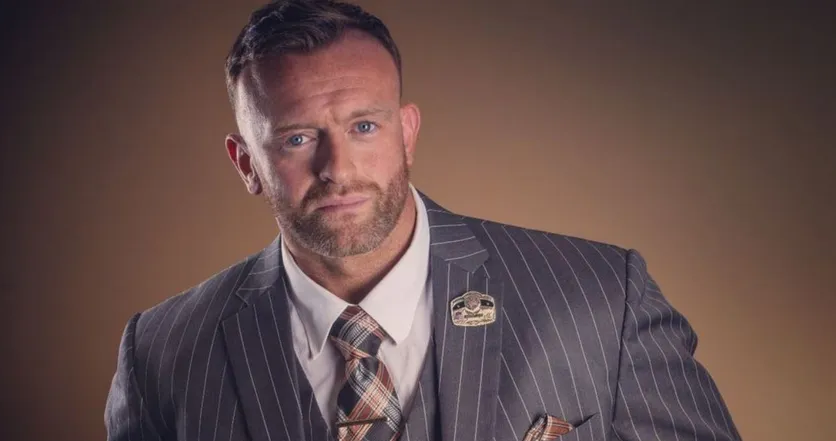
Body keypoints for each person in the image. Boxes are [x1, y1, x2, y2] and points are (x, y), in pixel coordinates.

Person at [105, 1, 741, 440]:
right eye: (298, 138)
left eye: (364, 127)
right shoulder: (162, 353)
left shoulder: (601, 298)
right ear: (246, 163)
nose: (338, 168)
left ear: (406, 133)